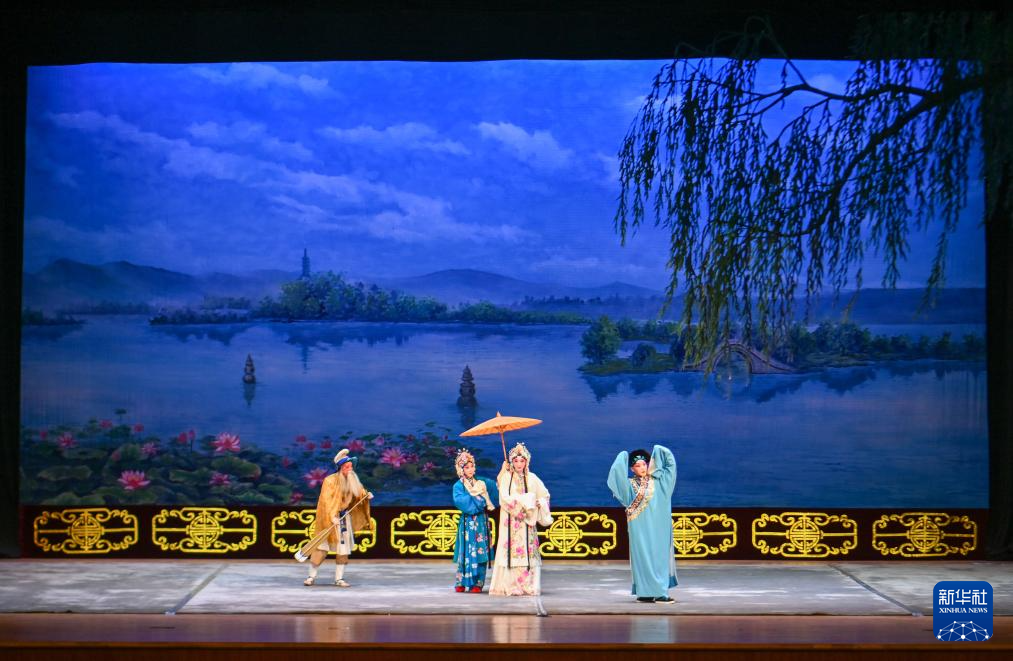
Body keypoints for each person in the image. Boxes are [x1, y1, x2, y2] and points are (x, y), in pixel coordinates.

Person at [607, 444, 678, 603]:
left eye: (644, 464)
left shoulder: (660, 482)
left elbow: (670, 466)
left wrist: (658, 450)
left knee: (658, 557)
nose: (642, 468)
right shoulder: (629, 485)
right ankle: (645, 592)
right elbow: (616, 474)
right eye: (637, 465)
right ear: (632, 469)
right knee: (641, 558)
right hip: (639, 528)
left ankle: (660, 592)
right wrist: (623, 455)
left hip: (659, 527)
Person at [489, 442, 552, 596]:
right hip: (512, 521)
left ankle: (527, 585)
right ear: (512, 462)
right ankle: (510, 585)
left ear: (526, 462)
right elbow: (504, 498)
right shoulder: (506, 478)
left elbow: (544, 495)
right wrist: (523, 505)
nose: (519, 464)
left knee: (527, 552)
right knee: (512, 551)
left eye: (522, 461)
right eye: (516, 461)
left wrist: (539, 502)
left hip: (528, 522)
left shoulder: (532, 478)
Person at [303, 448, 373, 587]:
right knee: (321, 548)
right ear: (341, 468)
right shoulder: (330, 481)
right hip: (329, 519)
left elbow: (359, 492)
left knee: (343, 549)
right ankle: (311, 576)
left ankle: (339, 578)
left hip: (344, 518)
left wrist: (366, 495)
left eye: (351, 467)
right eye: (347, 467)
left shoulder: (352, 480)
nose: (350, 469)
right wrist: (332, 517)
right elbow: (326, 501)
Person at [452, 449, 498, 593]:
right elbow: (461, 502)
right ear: (461, 469)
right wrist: (478, 499)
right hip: (467, 522)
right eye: (467, 467)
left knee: (480, 550)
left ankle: (478, 583)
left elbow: (495, 488)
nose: (470, 469)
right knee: (465, 551)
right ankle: (461, 581)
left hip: (480, 522)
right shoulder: (458, 486)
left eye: (472, 466)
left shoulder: (482, 482)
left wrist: (504, 472)